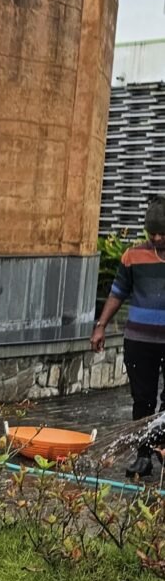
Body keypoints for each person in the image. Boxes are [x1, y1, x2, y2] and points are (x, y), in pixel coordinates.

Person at [92, 197, 165, 478]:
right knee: (142, 400)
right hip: (139, 341)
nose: (157, 238)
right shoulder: (132, 256)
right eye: (152, 233)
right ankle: (143, 456)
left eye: (162, 233)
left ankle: (162, 448)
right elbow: (117, 293)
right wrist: (101, 325)